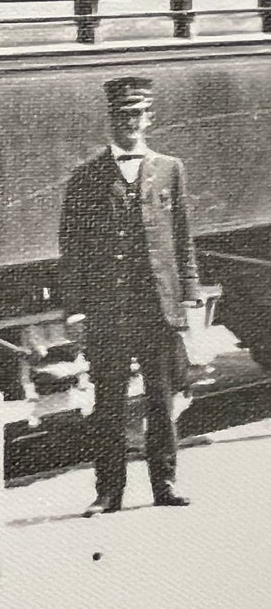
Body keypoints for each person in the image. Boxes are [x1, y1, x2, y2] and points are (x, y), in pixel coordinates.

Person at [59, 75, 200, 516]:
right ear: (110, 120)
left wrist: (189, 293)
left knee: (161, 399)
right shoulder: (85, 178)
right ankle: (108, 492)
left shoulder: (170, 169)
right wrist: (76, 308)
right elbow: (72, 248)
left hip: (156, 306)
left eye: (137, 115)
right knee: (109, 403)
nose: (130, 123)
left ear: (149, 117)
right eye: (122, 116)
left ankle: (166, 483)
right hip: (107, 310)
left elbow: (182, 237)